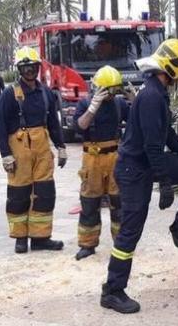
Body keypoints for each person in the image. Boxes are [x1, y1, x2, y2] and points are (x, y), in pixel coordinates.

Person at [100, 39, 178, 314]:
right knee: (131, 230)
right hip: (133, 169)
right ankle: (113, 290)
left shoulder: (159, 92)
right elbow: (153, 145)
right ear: (172, 67)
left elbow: (167, 135)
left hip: (146, 161)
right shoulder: (151, 96)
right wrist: (163, 181)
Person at [0, 46, 67, 254]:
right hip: (20, 149)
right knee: (19, 193)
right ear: (19, 69)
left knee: (45, 193)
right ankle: (20, 238)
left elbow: (53, 123)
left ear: (38, 67)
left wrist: (61, 146)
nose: (29, 71)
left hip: (42, 148)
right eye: (25, 67)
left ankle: (41, 238)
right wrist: (6, 155)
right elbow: (0, 125)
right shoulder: (10, 94)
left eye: (32, 66)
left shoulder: (45, 92)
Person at [73, 65, 132, 260]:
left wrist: (135, 101)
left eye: (114, 90)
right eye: (107, 90)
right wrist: (92, 109)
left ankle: (121, 243)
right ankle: (87, 244)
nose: (110, 95)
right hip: (92, 158)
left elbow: (136, 121)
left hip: (115, 157)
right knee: (89, 203)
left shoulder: (118, 104)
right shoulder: (85, 104)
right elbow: (80, 126)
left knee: (119, 203)